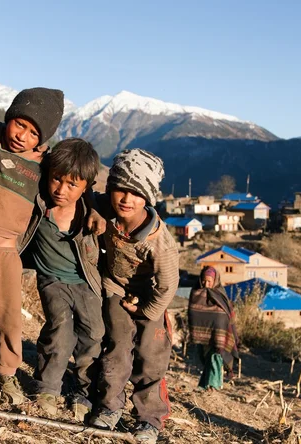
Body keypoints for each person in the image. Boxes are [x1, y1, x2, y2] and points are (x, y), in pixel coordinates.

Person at [0, 87, 65, 409]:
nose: (23, 136)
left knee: (9, 319)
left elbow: (73, 183)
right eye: (20, 124)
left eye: (34, 133)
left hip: (8, 254)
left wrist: (98, 216)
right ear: (9, 117)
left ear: (42, 140)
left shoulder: (43, 165)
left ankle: (7, 372)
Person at [88, 149, 179, 444]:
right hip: (115, 287)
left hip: (151, 298)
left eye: (136, 193)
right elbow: (85, 198)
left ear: (148, 198)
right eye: (120, 190)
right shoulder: (106, 209)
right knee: (116, 346)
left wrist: (147, 312)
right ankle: (110, 406)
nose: (126, 199)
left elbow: (168, 284)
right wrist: (93, 212)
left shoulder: (159, 241)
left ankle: (149, 418)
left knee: (151, 357)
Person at [19, 138, 103, 420]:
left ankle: (82, 390)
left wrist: (96, 210)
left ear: (85, 187)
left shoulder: (90, 211)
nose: (61, 190)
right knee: (60, 331)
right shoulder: (38, 201)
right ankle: (47, 387)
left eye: (72, 185)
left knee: (93, 335)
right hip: (52, 279)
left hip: (85, 282)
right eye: (57, 180)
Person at [188, 266, 239, 391]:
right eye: (204, 281)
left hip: (219, 333)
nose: (206, 284)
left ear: (215, 281)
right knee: (206, 358)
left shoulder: (220, 294)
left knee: (215, 356)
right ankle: (205, 384)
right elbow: (193, 312)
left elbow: (227, 313)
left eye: (209, 281)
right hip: (203, 334)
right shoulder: (196, 292)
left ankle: (213, 385)